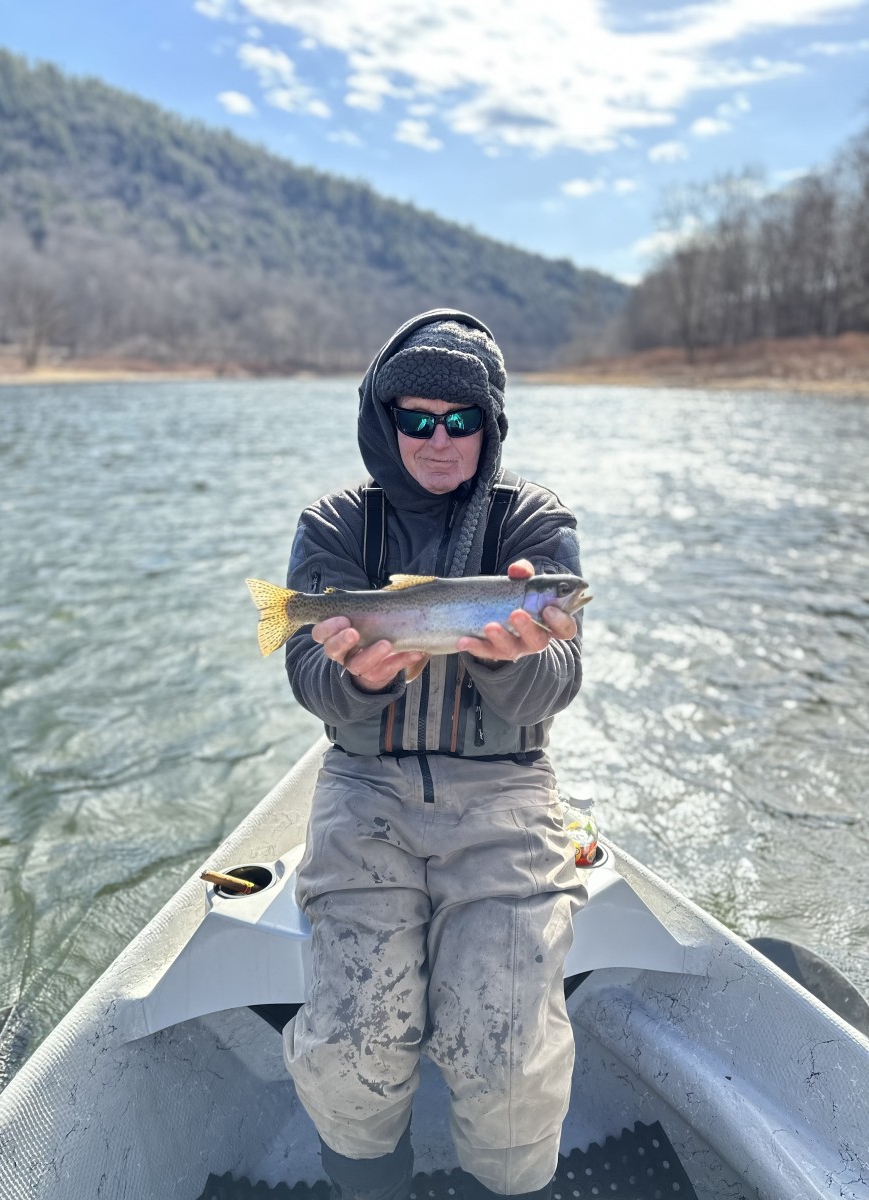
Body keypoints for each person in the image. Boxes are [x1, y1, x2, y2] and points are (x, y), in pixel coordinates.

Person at [282, 309, 588, 1200]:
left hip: (506, 794)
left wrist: (514, 666)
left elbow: (557, 679)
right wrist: (363, 680)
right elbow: (311, 674)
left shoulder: (534, 519)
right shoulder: (335, 522)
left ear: (490, 427)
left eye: (462, 422)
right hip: (362, 789)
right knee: (349, 1045)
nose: (440, 440)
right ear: (387, 421)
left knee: (510, 1053)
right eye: (418, 420)